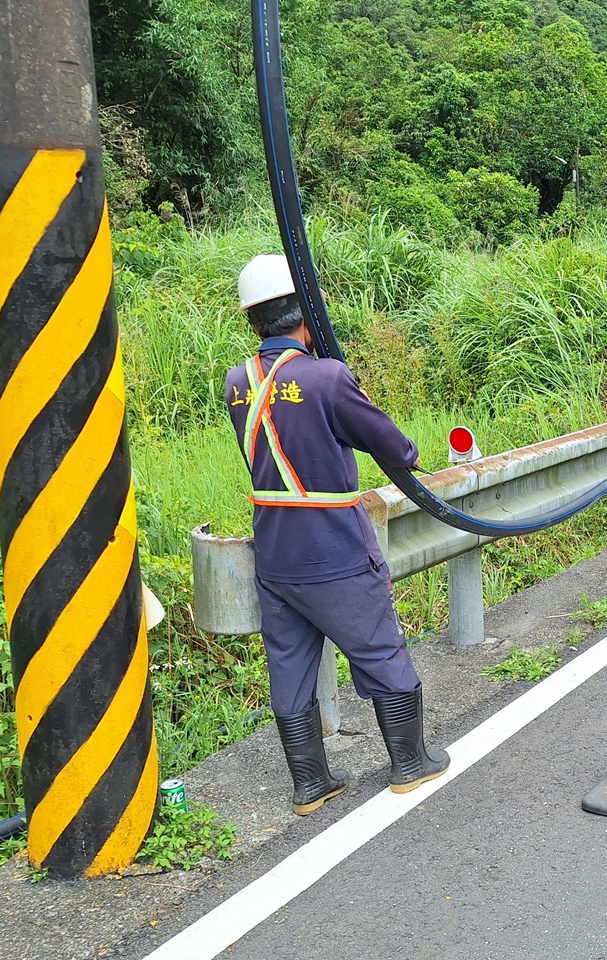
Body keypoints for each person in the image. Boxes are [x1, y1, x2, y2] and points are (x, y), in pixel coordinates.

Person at [225, 254, 449, 815]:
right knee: (378, 648)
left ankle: (310, 783)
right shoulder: (326, 376)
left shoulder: (238, 383)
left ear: (254, 319)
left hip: (274, 551)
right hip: (334, 546)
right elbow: (388, 442)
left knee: (290, 661)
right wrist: (409, 455)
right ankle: (408, 762)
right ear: (308, 314)